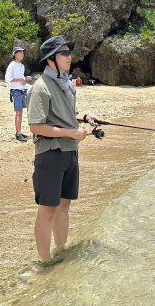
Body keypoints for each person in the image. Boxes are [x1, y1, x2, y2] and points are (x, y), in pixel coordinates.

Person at [26, 35, 100, 265]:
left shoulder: (66, 84)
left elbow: (67, 114)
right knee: (48, 208)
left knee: (64, 206)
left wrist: (84, 117)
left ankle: (61, 251)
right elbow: (36, 126)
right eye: (64, 53)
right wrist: (71, 132)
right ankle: (45, 262)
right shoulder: (40, 88)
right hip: (50, 154)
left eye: (69, 53)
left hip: (70, 152)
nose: (70, 57)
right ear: (51, 59)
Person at [5, 46, 30, 142]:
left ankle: (19, 132)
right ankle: (18, 134)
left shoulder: (22, 66)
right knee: (18, 112)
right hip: (16, 91)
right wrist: (21, 79)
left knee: (21, 112)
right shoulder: (12, 65)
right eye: (20, 52)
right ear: (15, 54)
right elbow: (8, 79)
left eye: (23, 52)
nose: (22, 54)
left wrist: (25, 78)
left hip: (23, 89)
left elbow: (20, 77)